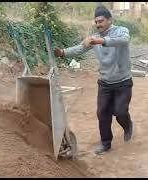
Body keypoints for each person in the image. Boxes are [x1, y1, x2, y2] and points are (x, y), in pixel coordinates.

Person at [54, 6, 133, 155]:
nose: (98, 24)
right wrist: (63, 52)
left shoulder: (121, 31)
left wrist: (99, 40)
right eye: (96, 22)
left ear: (110, 20)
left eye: (101, 21)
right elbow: (79, 48)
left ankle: (128, 126)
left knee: (120, 111)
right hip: (105, 83)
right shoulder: (94, 37)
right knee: (102, 113)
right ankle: (105, 144)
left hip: (123, 81)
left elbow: (123, 40)